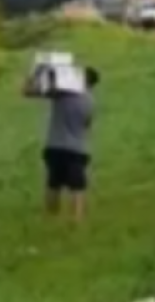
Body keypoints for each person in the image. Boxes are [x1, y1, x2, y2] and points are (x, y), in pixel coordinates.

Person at [26, 67, 100, 223]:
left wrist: (36, 74)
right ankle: (76, 220)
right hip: (77, 148)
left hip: (55, 145)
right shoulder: (90, 101)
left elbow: (29, 92)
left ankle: (50, 218)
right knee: (77, 187)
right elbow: (87, 125)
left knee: (53, 183)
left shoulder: (62, 94)